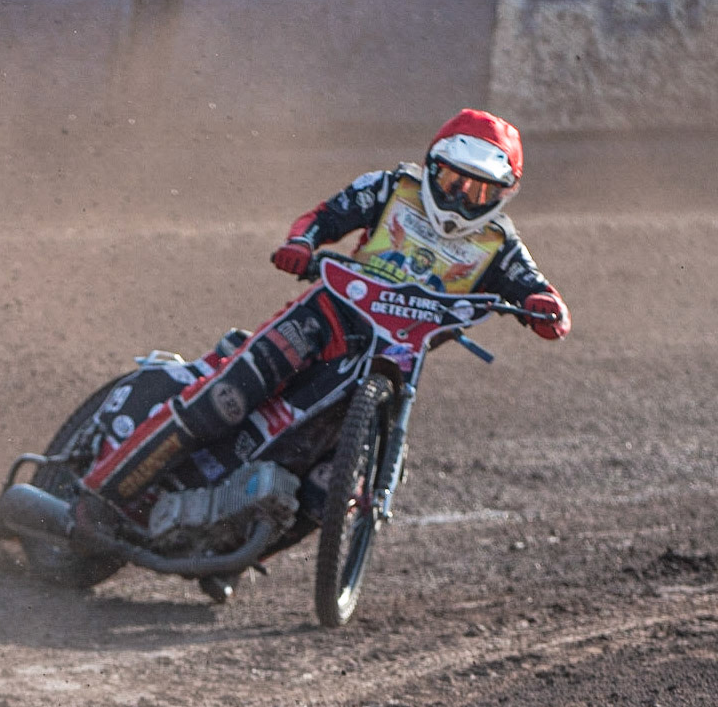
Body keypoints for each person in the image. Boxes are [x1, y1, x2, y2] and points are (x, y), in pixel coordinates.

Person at [81, 108, 570, 507]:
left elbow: (538, 291)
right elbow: (324, 216)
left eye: (479, 190)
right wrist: (302, 243)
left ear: (502, 195)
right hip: (324, 317)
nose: (461, 199)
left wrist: (544, 307)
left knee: (330, 480)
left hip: (388, 361)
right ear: (431, 166)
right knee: (228, 397)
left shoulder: (498, 242)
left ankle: (228, 539)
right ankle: (98, 493)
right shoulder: (391, 188)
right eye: (451, 181)